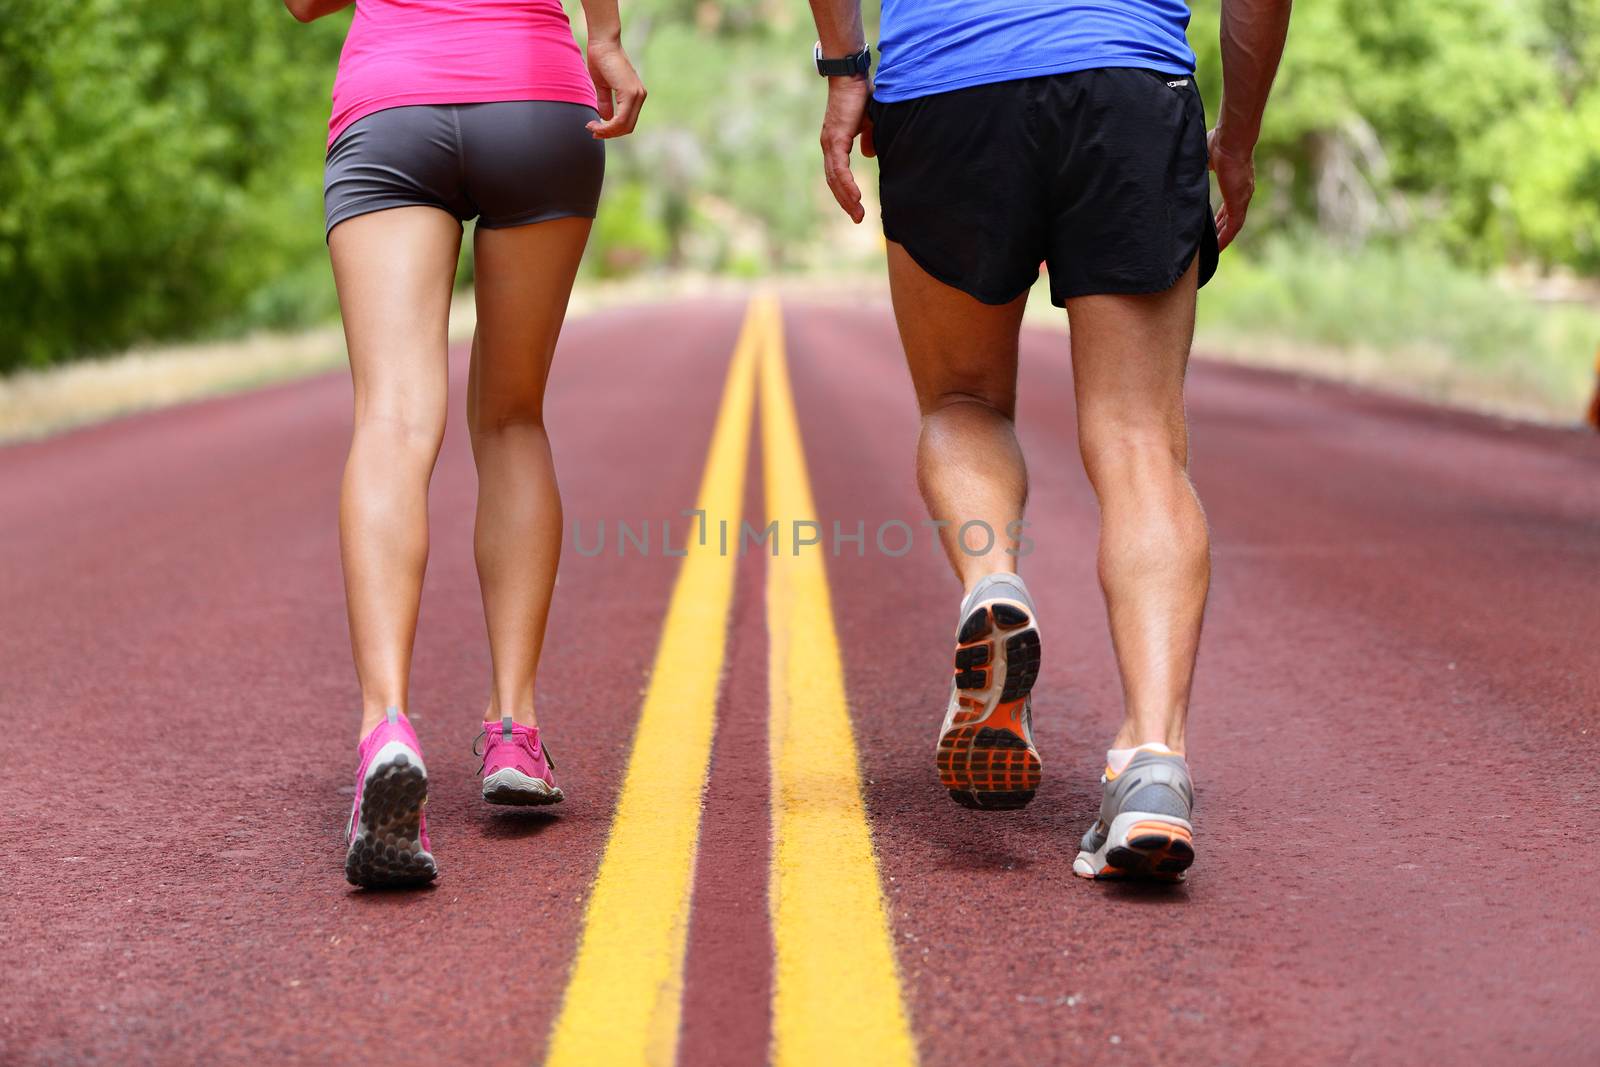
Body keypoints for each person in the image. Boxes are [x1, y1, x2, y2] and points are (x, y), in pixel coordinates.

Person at [805, 0, 1290, 879]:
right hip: (1127, 83)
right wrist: (1237, 137)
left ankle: (995, 582)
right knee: (1141, 440)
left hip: (948, 89)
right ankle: (1153, 763)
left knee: (962, 399)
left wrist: (845, 73)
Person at [284, 0, 645, 887]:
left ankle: (387, 731)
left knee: (393, 418)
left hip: (391, 102)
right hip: (536, 100)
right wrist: (605, 39)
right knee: (514, 417)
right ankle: (513, 730)